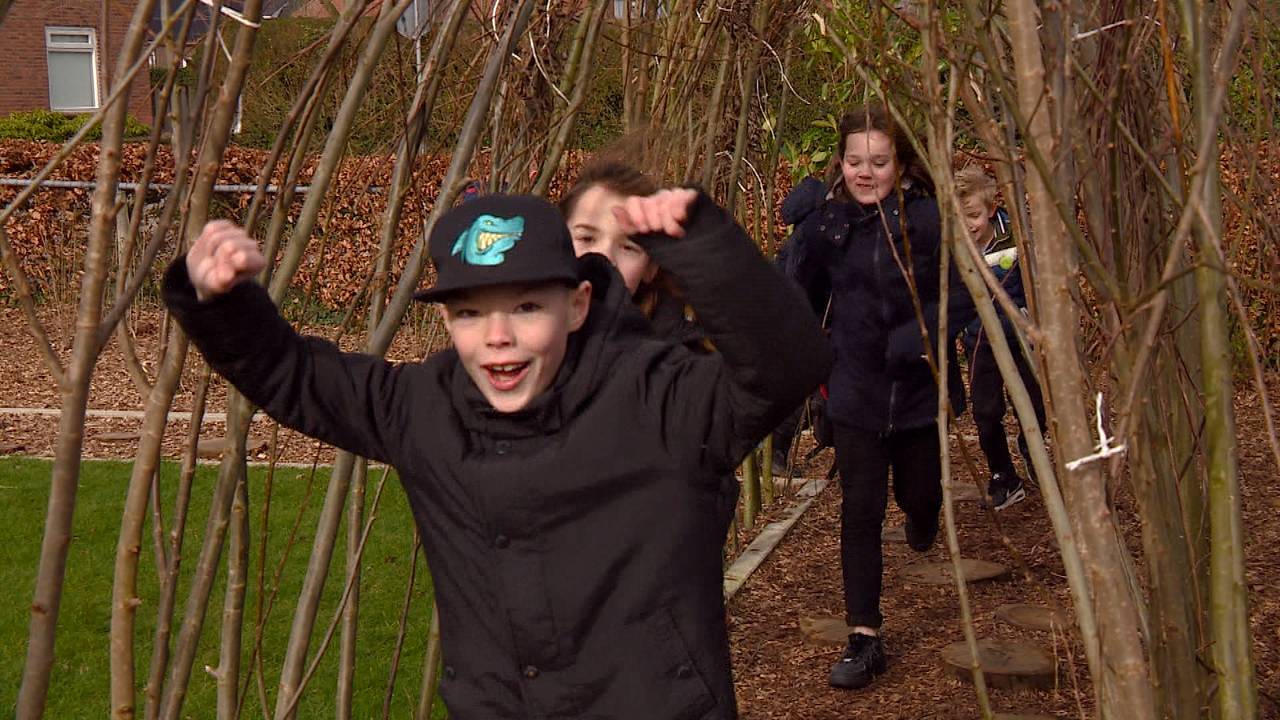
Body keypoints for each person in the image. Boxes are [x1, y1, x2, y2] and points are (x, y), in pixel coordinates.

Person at [164, 189, 830, 719]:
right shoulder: (421, 408)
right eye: (470, 314)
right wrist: (216, 296)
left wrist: (706, 246)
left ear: (577, 306)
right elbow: (293, 375)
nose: (499, 339)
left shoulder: (660, 398)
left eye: (528, 307)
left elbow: (787, 369)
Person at [789, 104, 971, 690]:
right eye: (855, 160)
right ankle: (864, 638)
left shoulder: (928, 221)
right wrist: (799, 232)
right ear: (841, 163)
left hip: (917, 391)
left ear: (901, 163)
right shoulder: (829, 225)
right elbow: (799, 298)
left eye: (880, 161)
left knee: (919, 494)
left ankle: (924, 517)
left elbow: (969, 291)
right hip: (855, 392)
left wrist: (924, 334)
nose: (866, 172)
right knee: (859, 512)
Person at [954, 165, 1046, 510]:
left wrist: (1032, 320)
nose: (969, 226)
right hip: (980, 341)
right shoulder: (956, 248)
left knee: (1035, 404)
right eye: (961, 219)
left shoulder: (1014, 238)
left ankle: (1031, 447)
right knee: (986, 412)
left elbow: (1032, 284)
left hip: (1018, 337)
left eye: (974, 216)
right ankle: (1002, 475)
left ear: (991, 210)